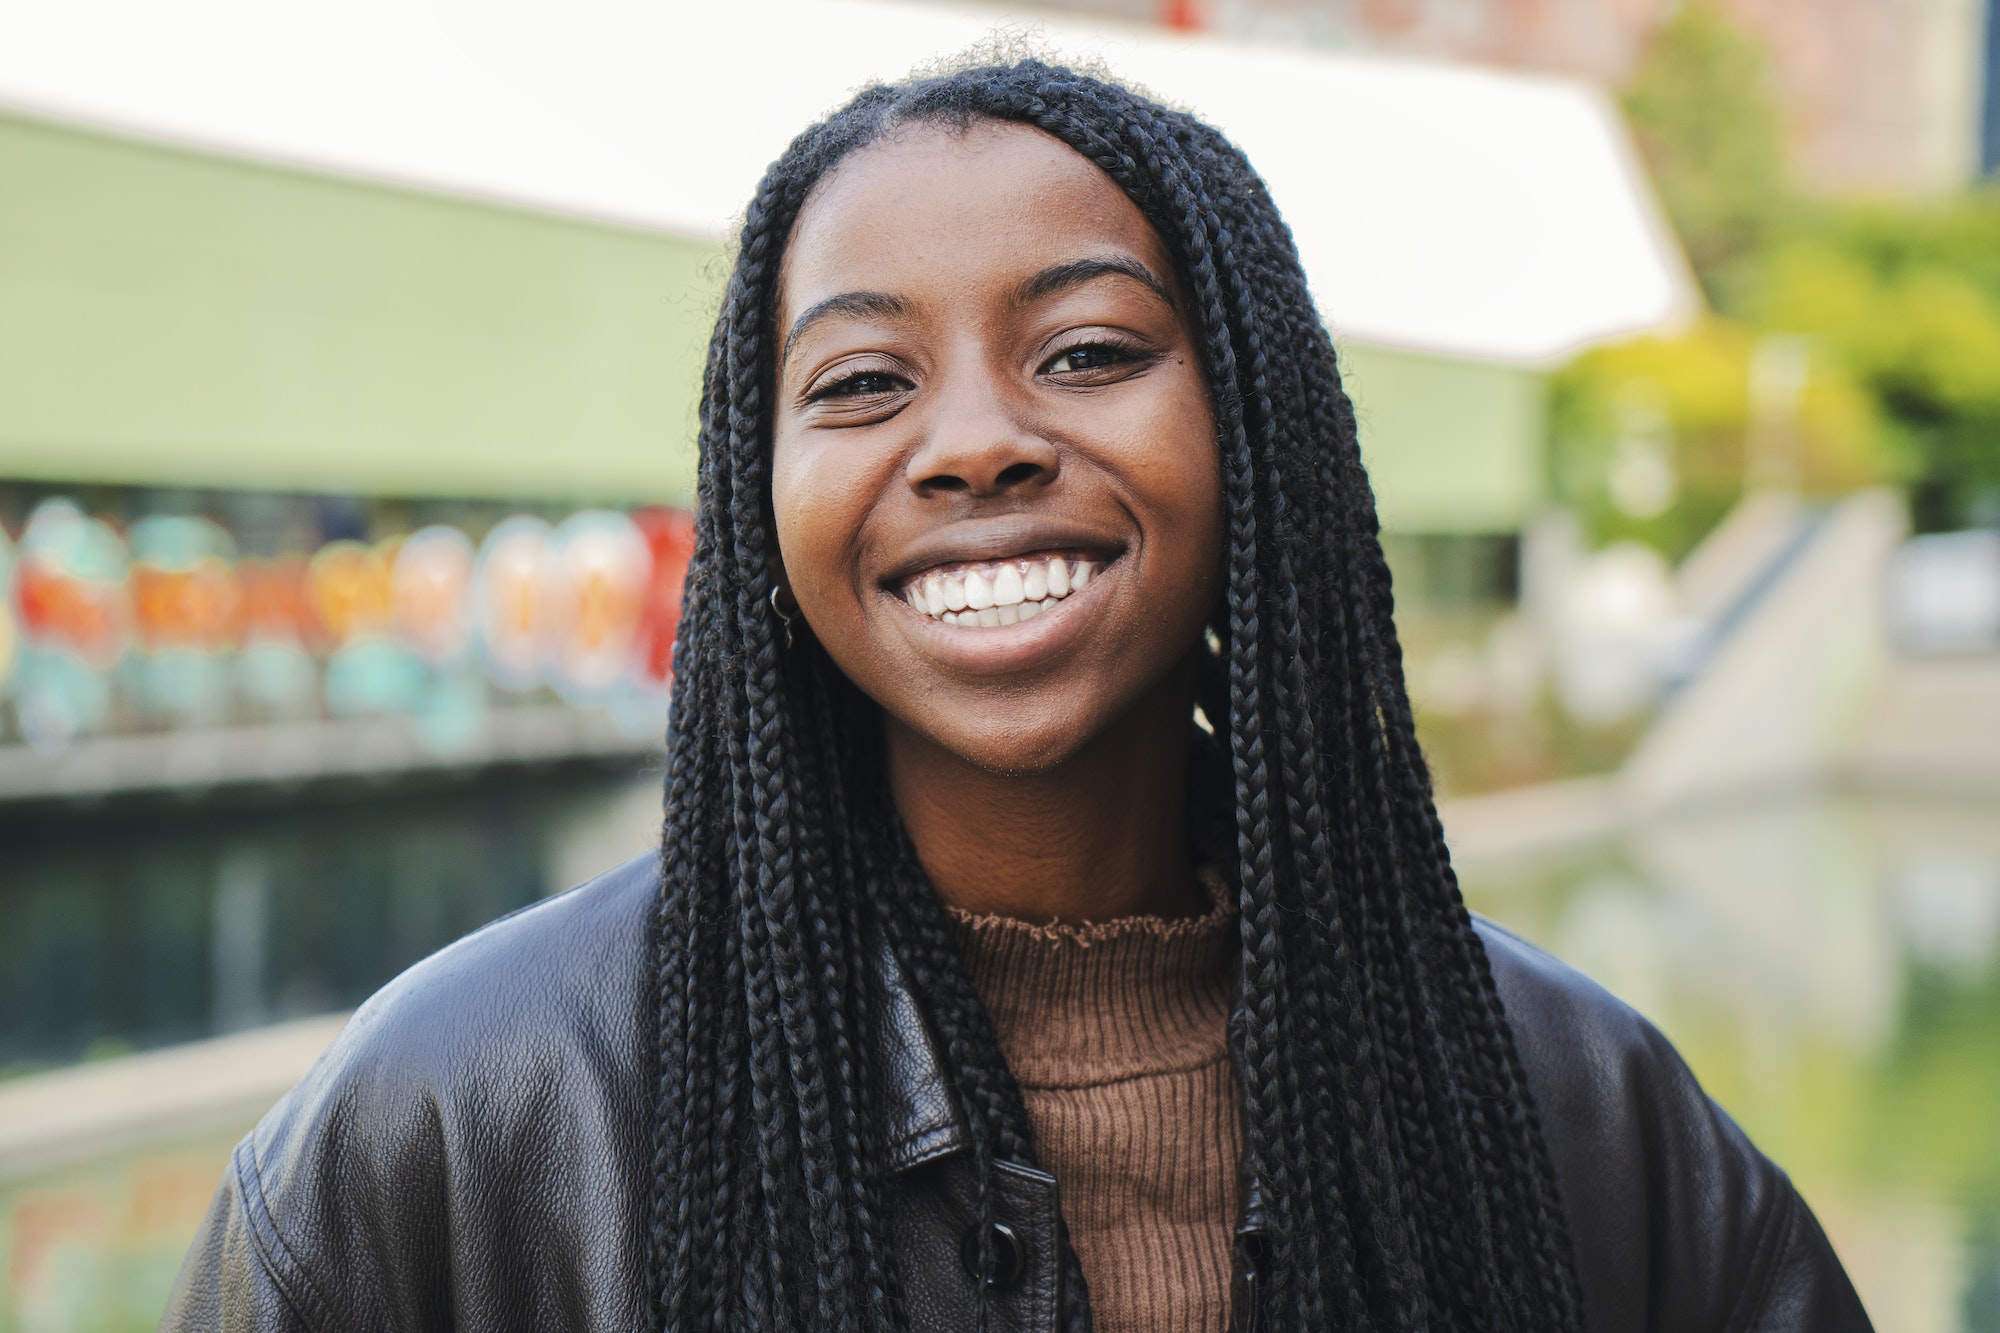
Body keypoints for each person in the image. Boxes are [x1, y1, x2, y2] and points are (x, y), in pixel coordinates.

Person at [162, 59, 1872, 1333]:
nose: (974, 438)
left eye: (1088, 352)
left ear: (1259, 434)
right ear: (760, 491)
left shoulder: (1587, 1114)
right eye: (861, 381)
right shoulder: (458, 1124)